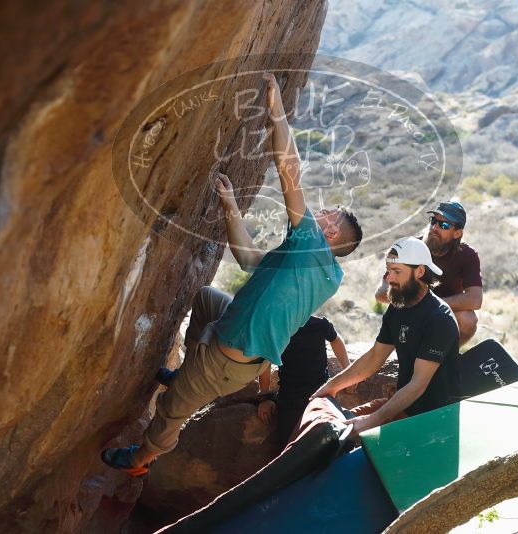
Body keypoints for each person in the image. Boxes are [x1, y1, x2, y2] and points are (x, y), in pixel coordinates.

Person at [101, 72, 363, 476]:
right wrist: (230, 207)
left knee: (171, 411)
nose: (319, 211)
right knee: (207, 298)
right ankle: (184, 371)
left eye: (327, 214)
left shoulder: (309, 241)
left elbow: (288, 168)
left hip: (226, 360)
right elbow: (247, 260)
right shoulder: (325, 273)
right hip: (249, 358)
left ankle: (141, 460)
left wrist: (276, 113)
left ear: (328, 232)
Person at [312, 237, 460, 435]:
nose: (389, 279)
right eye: (389, 271)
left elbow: (417, 385)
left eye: (397, 272)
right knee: (329, 431)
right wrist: (330, 388)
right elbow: (374, 357)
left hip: (431, 419)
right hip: (402, 406)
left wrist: (370, 422)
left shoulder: (439, 320)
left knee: (347, 438)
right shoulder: (399, 307)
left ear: (420, 271)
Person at [374, 201, 482, 346]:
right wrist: (417, 303)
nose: (435, 227)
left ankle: (447, 356)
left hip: (442, 317)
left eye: (444, 225)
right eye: (434, 221)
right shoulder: (410, 247)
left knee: (468, 320)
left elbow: (475, 300)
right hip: (410, 314)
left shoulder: (467, 255)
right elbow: (380, 294)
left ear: (457, 233)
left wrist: (434, 307)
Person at [256, 316, 351, 447]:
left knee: (329, 441)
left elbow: (336, 339)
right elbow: (266, 360)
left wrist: (348, 370)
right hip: (289, 399)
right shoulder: (277, 329)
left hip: (320, 394)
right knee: (289, 445)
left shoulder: (319, 324)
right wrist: (265, 396)